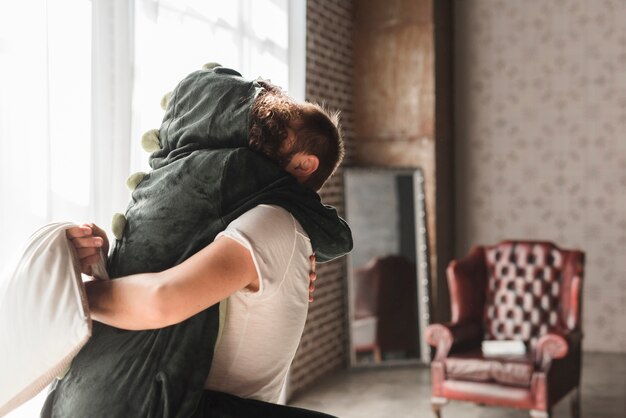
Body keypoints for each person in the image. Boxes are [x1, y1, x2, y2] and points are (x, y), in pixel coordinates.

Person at [43, 65, 352, 418]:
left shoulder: (273, 222)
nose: (246, 145)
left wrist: (64, 296)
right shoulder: (248, 218)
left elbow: (162, 300)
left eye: (274, 136)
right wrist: (103, 267)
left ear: (304, 166)